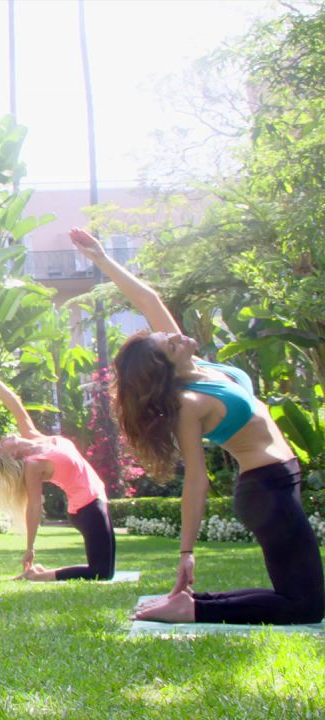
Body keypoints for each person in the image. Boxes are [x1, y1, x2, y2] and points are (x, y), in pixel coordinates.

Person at [71, 227, 323, 624]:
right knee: (305, 605)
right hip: (267, 490)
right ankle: (192, 608)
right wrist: (186, 552)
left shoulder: (200, 367)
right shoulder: (187, 404)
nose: (176, 335)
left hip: (279, 482)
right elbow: (196, 480)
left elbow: (148, 299)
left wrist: (102, 259)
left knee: (300, 595)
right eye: (169, 342)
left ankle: (191, 604)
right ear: (165, 365)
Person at [0, 355, 115, 582]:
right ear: (12, 454)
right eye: (0, 447)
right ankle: (37, 576)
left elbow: (14, 403)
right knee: (101, 573)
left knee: (105, 570)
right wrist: (30, 547)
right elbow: (34, 506)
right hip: (87, 508)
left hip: (96, 500)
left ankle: (37, 574)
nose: (2, 440)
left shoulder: (35, 437)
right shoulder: (33, 465)